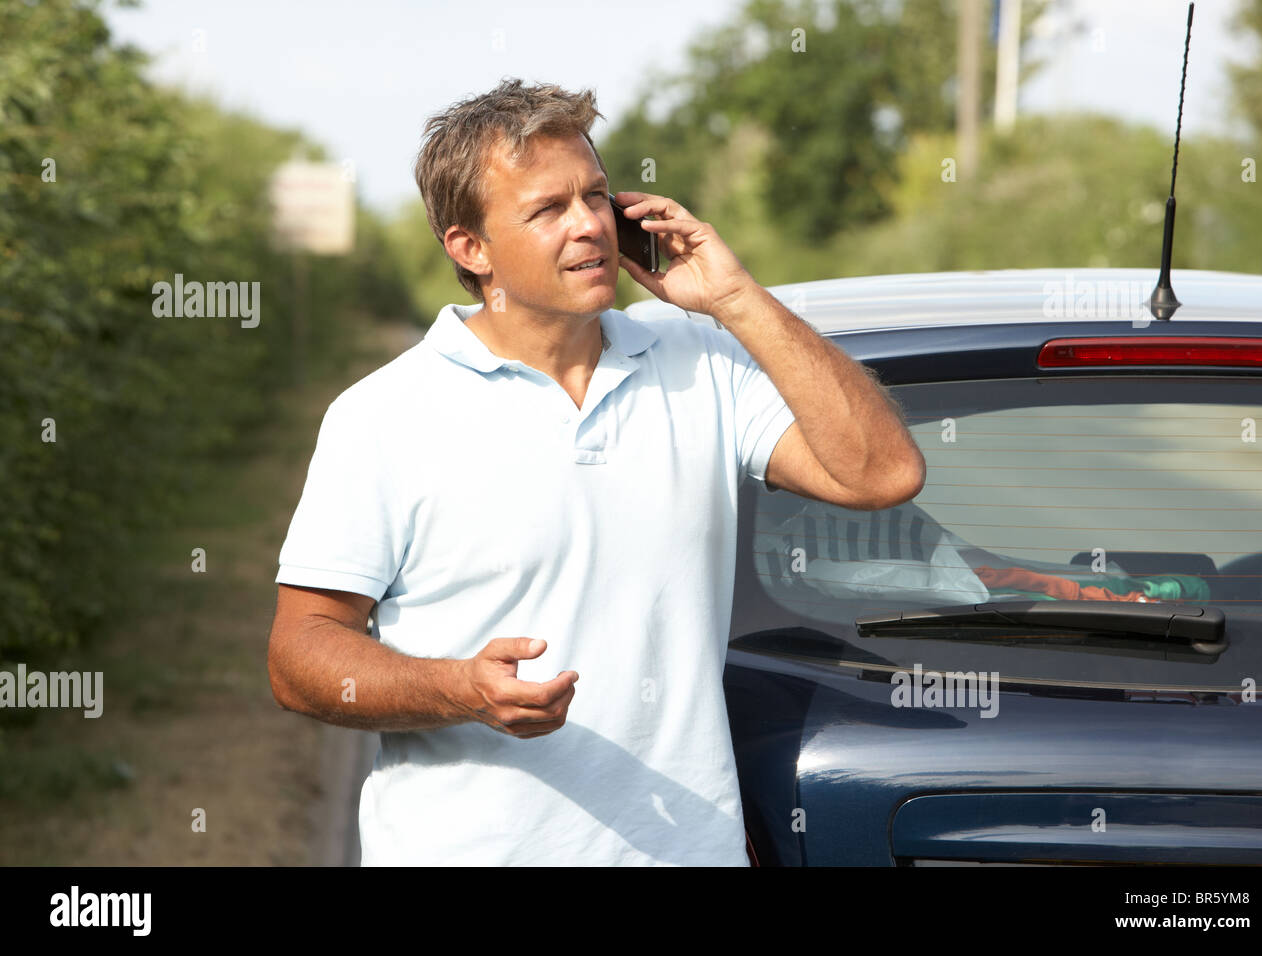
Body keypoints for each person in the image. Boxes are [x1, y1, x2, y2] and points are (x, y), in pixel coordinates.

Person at [266, 78, 926, 865]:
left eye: (597, 196)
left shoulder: (703, 363)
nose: (589, 226)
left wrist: (736, 299)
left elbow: (881, 474)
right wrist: (460, 689)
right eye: (548, 210)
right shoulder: (383, 415)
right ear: (469, 248)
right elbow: (300, 653)